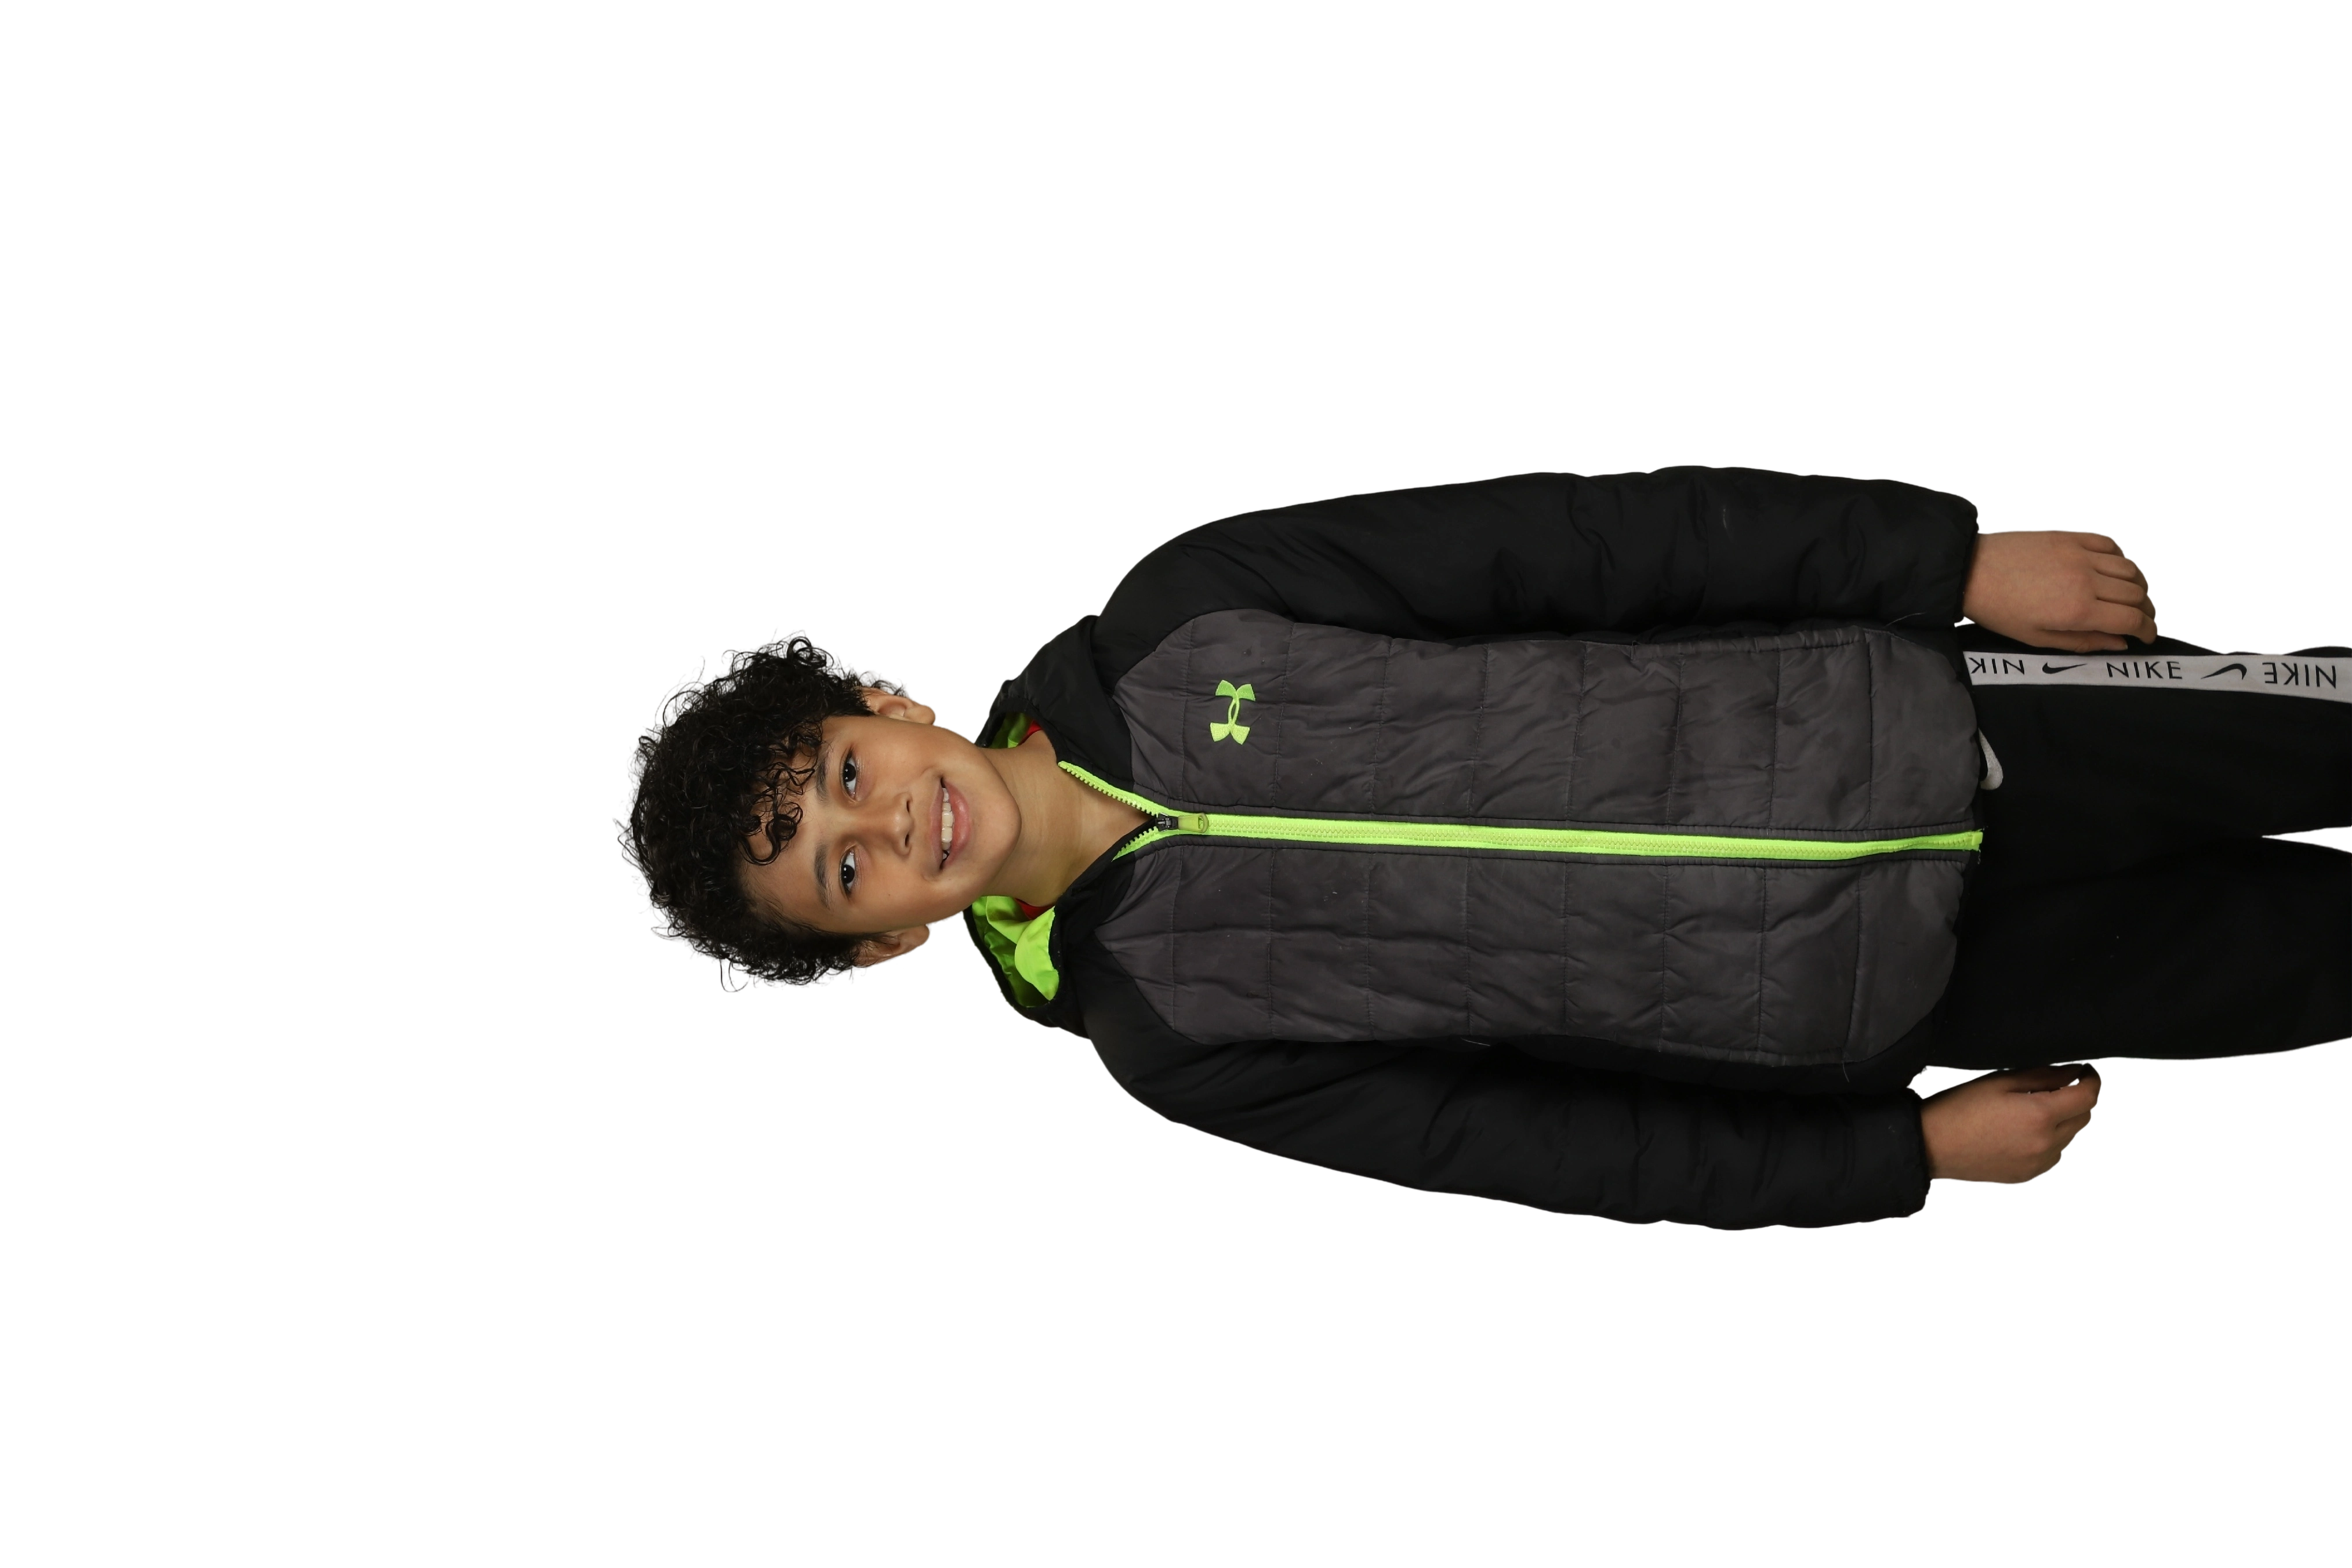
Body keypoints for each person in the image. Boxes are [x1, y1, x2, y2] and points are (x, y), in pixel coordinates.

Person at [610, 466, 2352, 1231]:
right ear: (875, 949)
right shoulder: (1171, 1038)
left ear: (882, 704)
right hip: (1902, 992)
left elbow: (1584, 545)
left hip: (1924, 710)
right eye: (843, 871)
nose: (888, 822)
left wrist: (1940, 559)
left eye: (846, 771)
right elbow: (1550, 1147)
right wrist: (1898, 1158)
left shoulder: (1186, 609)